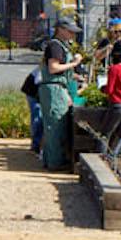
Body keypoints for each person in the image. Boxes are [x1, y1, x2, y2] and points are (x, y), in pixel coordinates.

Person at [35, 19, 81, 171]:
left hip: (57, 87)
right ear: (60, 29)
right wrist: (74, 64)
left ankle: (52, 160)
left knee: (55, 125)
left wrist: (75, 76)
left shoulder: (60, 46)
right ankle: (56, 162)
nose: (72, 35)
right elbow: (53, 68)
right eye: (70, 31)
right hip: (53, 88)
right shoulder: (55, 45)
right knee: (55, 125)